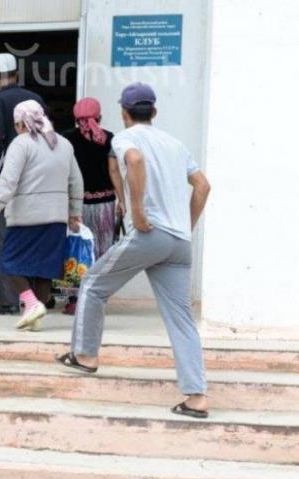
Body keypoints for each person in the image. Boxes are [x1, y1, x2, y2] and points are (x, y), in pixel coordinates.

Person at [58, 83, 212, 419]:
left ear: (124, 113)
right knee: (181, 320)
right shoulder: (175, 144)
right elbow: (203, 185)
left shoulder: (126, 138)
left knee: (92, 283)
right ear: (154, 111)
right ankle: (196, 396)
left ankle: (85, 355)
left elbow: (135, 159)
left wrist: (138, 212)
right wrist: (186, 226)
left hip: (150, 234)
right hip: (179, 243)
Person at [0, 100, 83, 331]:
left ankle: (31, 302)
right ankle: (34, 316)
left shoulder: (21, 143)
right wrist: (75, 212)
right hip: (56, 217)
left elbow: (8, 181)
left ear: (20, 124)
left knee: (9, 262)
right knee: (44, 269)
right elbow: (76, 181)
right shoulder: (63, 143)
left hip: (26, 217)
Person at [0, 53, 49, 315]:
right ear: (16, 75)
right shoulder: (37, 100)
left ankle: (8, 300)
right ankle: (38, 298)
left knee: (5, 240)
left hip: (8, 180)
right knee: (34, 239)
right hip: (37, 180)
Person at [60, 97, 124, 315]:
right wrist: (123, 200)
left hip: (76, 205)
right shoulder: (110, 139)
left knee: (76, 250)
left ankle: (74, 299)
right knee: (101, 251)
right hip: (104, 204)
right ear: (100, 117)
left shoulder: (67, 139)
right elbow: (114, 171)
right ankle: (96, 298)